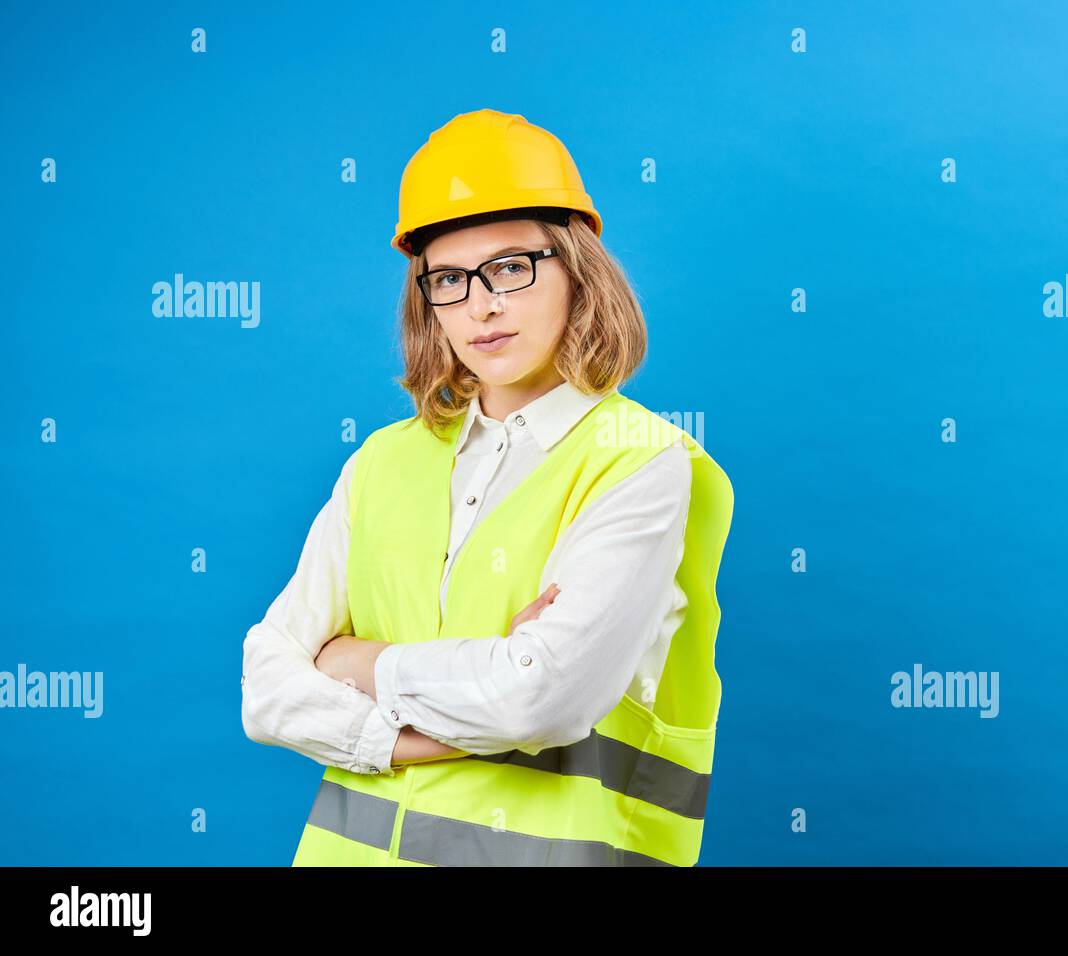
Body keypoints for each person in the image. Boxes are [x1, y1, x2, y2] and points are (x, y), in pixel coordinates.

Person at [240, 108, 734, 866]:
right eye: (449, 278)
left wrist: (356, 665)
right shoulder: (380, 461)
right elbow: (267, 689)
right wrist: (449, 707)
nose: (480, 304)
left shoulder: (640, 459)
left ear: (578, 268)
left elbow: (540, 698)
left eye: (510, 266)